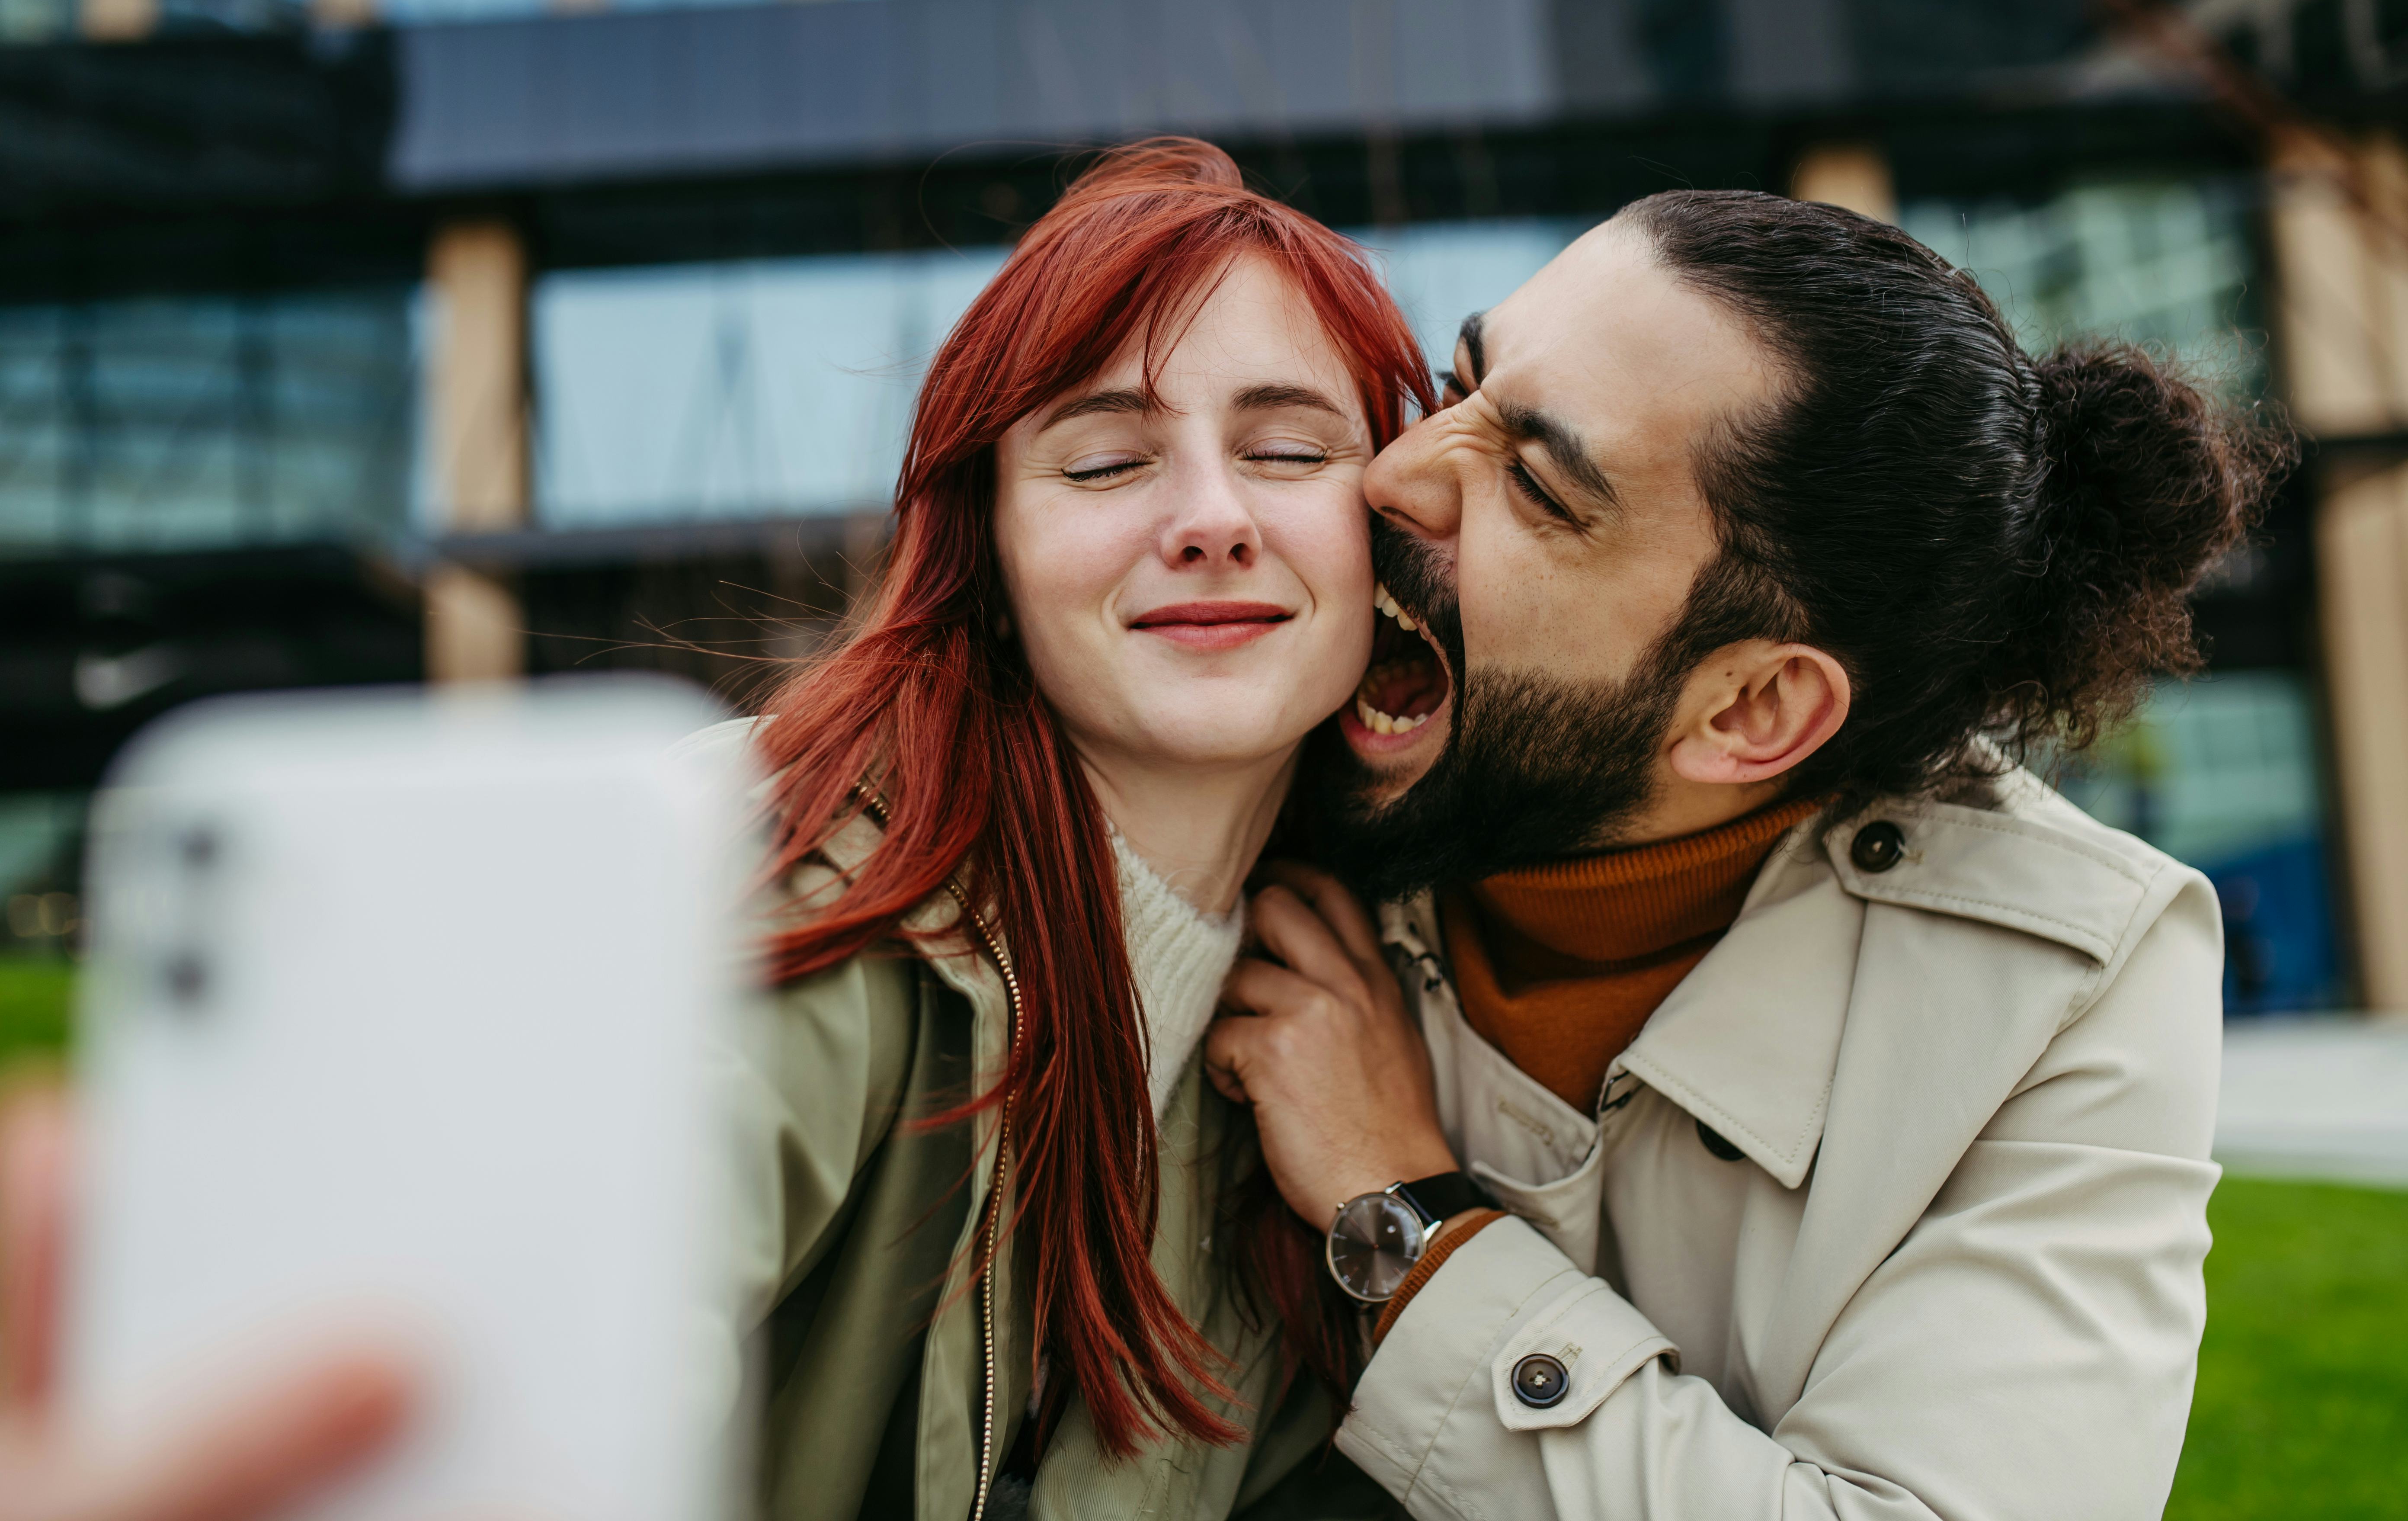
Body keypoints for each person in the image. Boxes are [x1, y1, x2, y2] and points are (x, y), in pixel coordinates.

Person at [0, 139, 1431, 1521]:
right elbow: (518, 1382)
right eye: (1106, 463)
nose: (1209, 518)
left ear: (1391, 540)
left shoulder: (1351, 1023)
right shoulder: (785, 876)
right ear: (985, 558)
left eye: (1290, 448)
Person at [1209, 190, 2293, 1520]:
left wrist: (1407, 1214)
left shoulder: (2068, 976)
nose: (1396, 473)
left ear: (1750, 710)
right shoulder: (1239, 770)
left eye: (1538, 483)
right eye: (1458, 386)